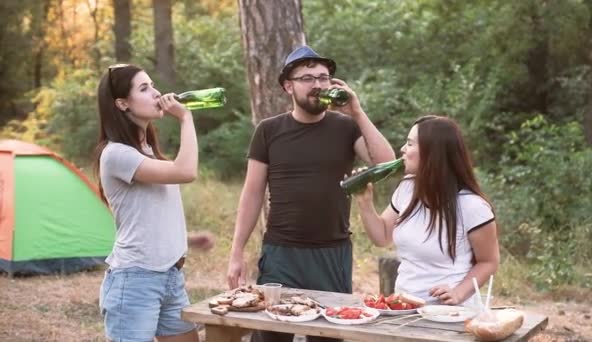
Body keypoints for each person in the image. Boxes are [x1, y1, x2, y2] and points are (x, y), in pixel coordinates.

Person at [226, 46, 395, 342]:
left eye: (323, 77)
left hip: (332, 253)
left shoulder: (346, 127)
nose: (317, 84)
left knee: (328, 337)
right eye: (307, 78)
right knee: (270, 336)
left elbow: (384, 163)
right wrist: (236, 252)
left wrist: (357, 110)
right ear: (288, 86)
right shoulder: (269, 130)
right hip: (281, 253)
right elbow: (251, 194)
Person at [93, 63, 211, 342]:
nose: (156, 93)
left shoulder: (147, 152)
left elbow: (148, 214)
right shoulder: (116, 154)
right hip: (135, 282)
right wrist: (186, 119)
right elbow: (186, 172)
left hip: (170, 277)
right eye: (144, 88)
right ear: (122, 103)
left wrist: (188, 239)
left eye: (152, 85)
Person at [354, 115, 499, 307]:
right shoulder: (407, 188)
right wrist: (365, 203)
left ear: (433, 152)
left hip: (450, 313)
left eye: (410, 144)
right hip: (405, 306)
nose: (403, 150)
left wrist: (458, 293)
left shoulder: (472, 206)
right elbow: (382, 237)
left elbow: (489, 261)